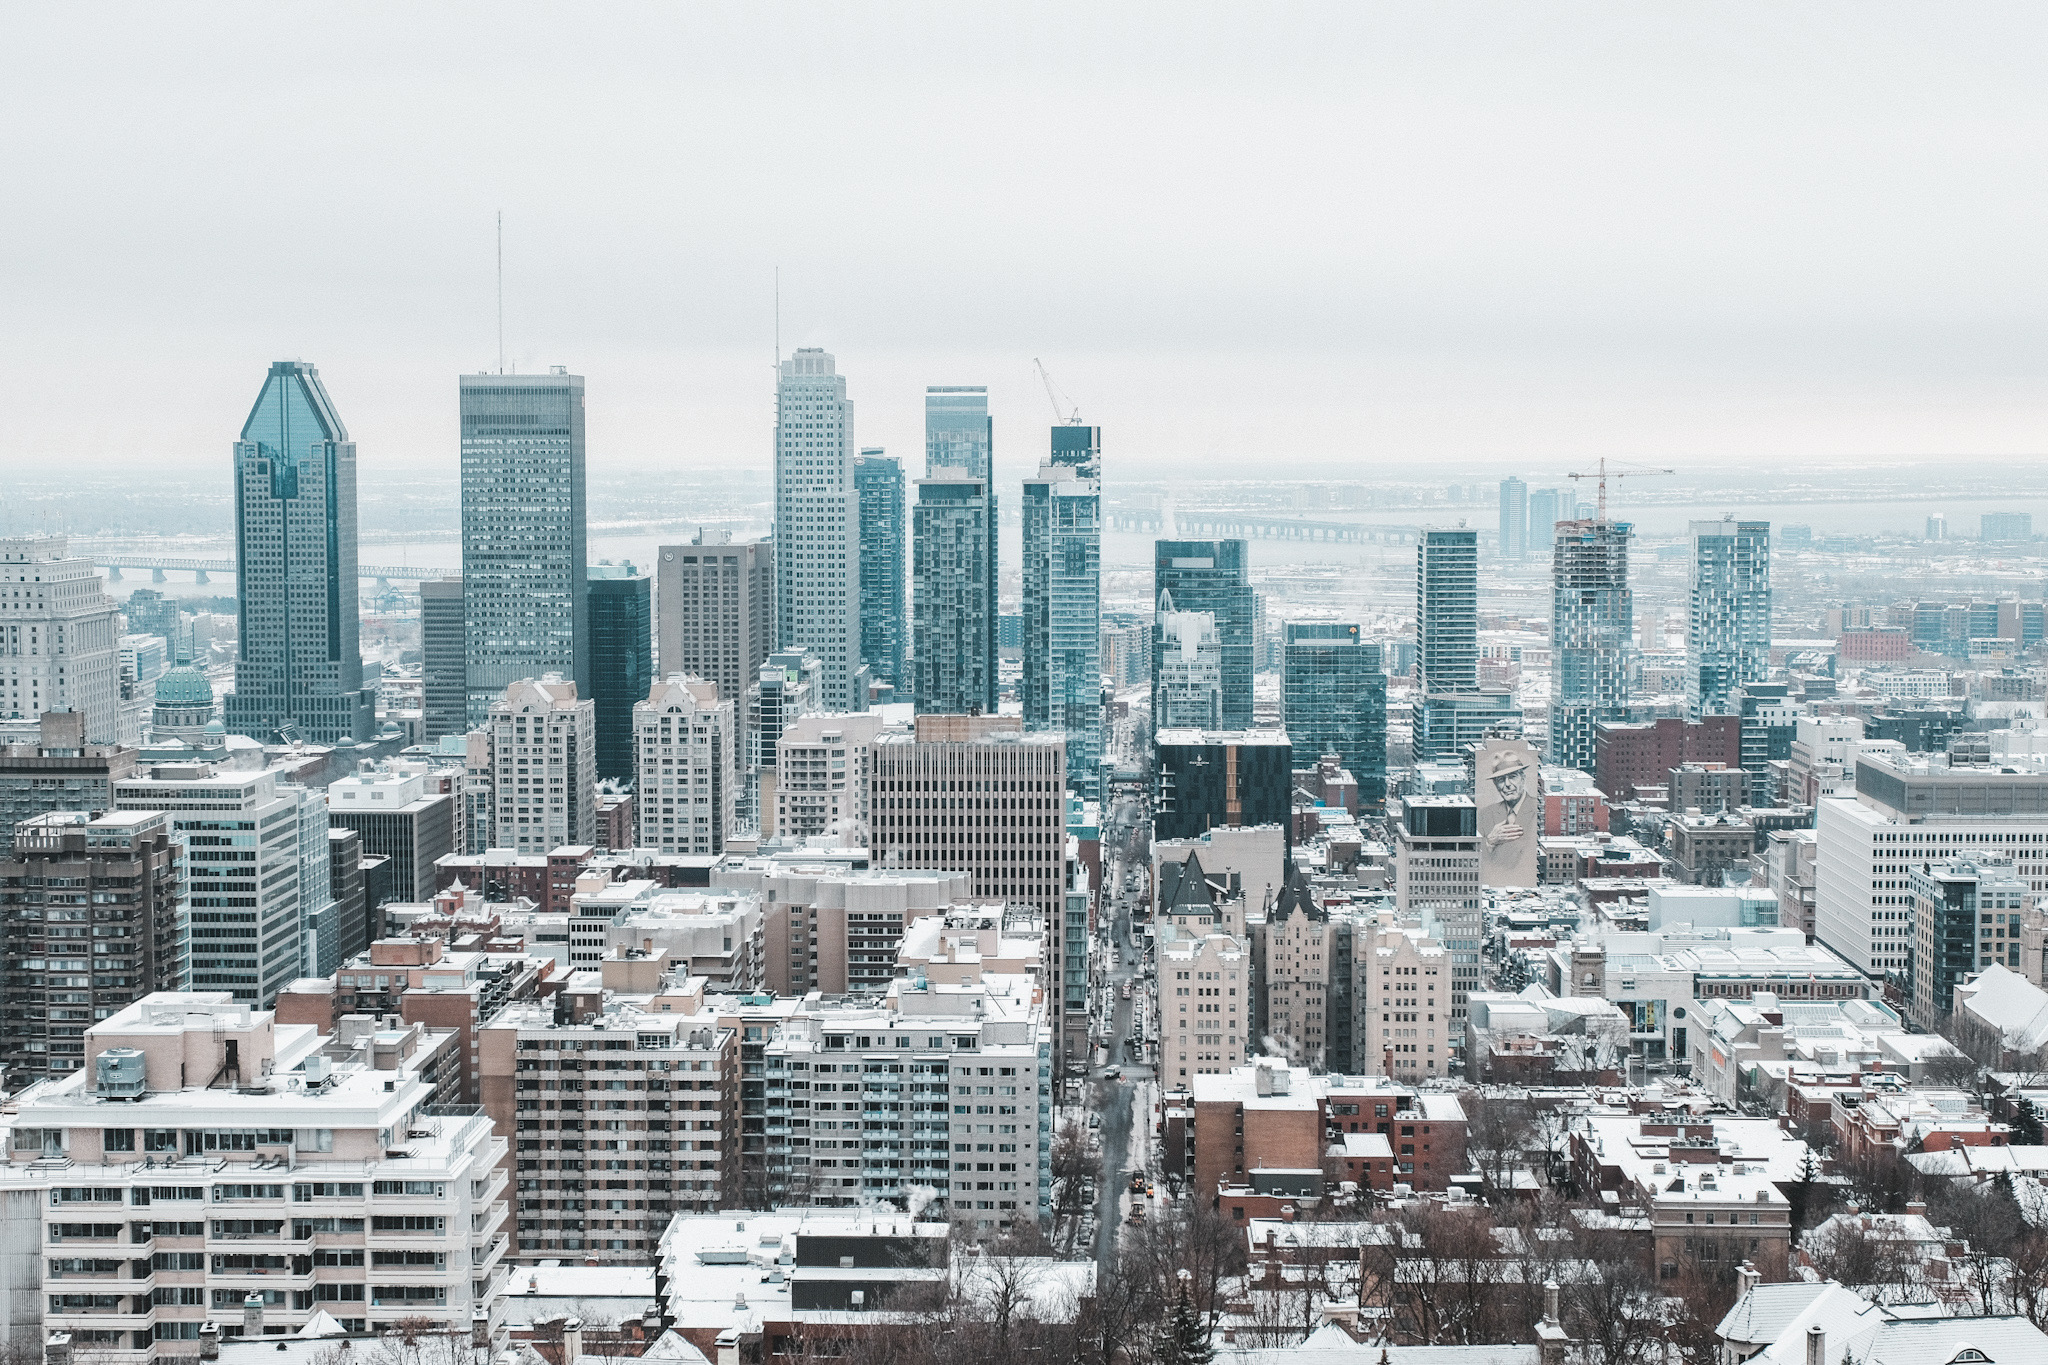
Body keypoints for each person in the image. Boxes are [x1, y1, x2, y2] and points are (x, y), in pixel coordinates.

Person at [1479, 744, 1538, 885]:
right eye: (1501, 779)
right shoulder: (1485, 814)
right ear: (1495, 784)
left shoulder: (1539, 809)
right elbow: (1479, 861)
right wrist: (1490, 842)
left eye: (1512, 777)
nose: (1507, 784)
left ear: (1523, 778)